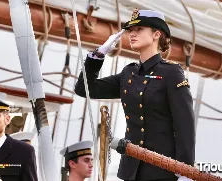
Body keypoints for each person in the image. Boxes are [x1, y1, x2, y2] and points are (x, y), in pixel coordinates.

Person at [74, 8, 195, 181]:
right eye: (131, 30)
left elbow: (185, 125)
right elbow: (84, 89)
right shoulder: (129, 73)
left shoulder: (171, 73)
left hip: (162, 170)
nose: (132, 34)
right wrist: (99, 55)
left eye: (139, 29)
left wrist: (186, 171)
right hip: (130, 170)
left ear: (156, 34)